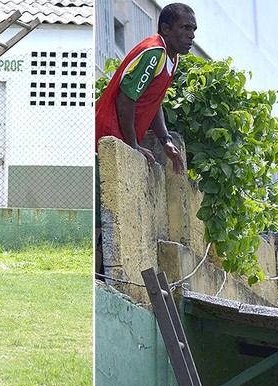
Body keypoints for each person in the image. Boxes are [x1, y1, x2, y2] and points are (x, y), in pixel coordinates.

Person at [94, 3, 197, 277]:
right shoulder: (154, 52)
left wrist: (165, 140)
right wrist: (133, 144)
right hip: (106, 135)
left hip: (121, 139)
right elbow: (126, 97)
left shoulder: (171, 59)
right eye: (185, 28)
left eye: (193, 30)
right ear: (165, 28)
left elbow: (153, 100)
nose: (192, 35)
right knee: (99, 216)